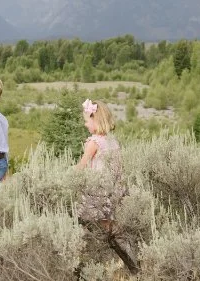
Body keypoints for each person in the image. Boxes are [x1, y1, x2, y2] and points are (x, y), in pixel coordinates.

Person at [74, 98, 139, 274]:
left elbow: (81, 166)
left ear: (96, 120)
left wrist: (68, 177)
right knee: (110, 228)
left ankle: (83, 264)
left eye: (87, 120)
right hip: (113, 191)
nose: (85, 124)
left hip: (96, 194)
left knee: (85, 224)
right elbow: (119, 168)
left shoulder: (93, 143)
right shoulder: (112, 141)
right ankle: (129, 261)